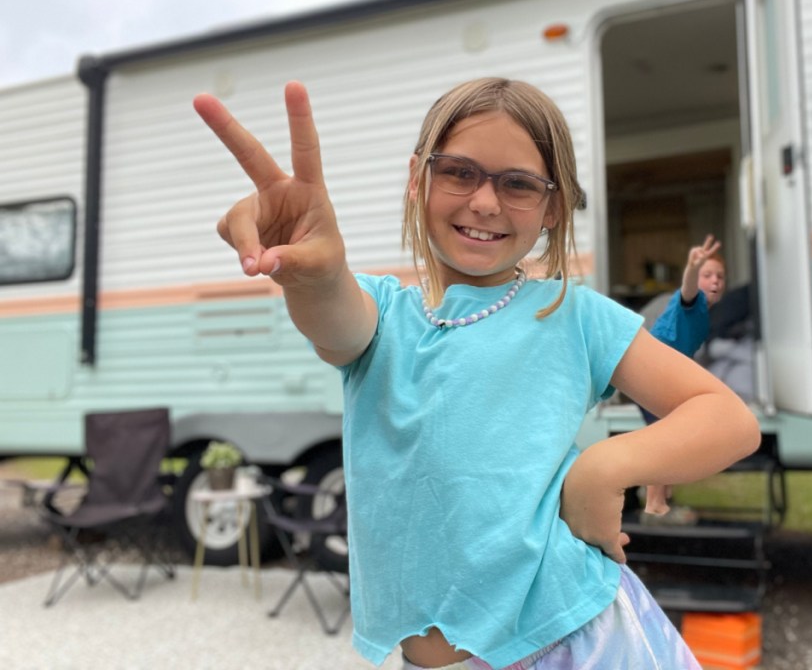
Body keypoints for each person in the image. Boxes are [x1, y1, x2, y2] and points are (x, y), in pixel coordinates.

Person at [194, 78, 759, 670]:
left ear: (554, 205)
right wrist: (313, 273)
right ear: (418, 178)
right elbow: (333, 318)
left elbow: (727, 419)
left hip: (575, 640)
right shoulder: (381, 315)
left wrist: (601, 470)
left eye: (519, 184)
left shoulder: (574, 315)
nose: (486, 202)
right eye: (459, 172)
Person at [640, 236, 727, 518]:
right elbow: (688, 289)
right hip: (652, 371)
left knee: (669, 434)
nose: (715, 281)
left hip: (661, 372)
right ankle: (654, 502)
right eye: (707, 275)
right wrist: (692, 268)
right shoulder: (691, 300)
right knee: (666, 436)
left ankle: (658, 496)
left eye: (720, 277)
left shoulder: (705, 312)